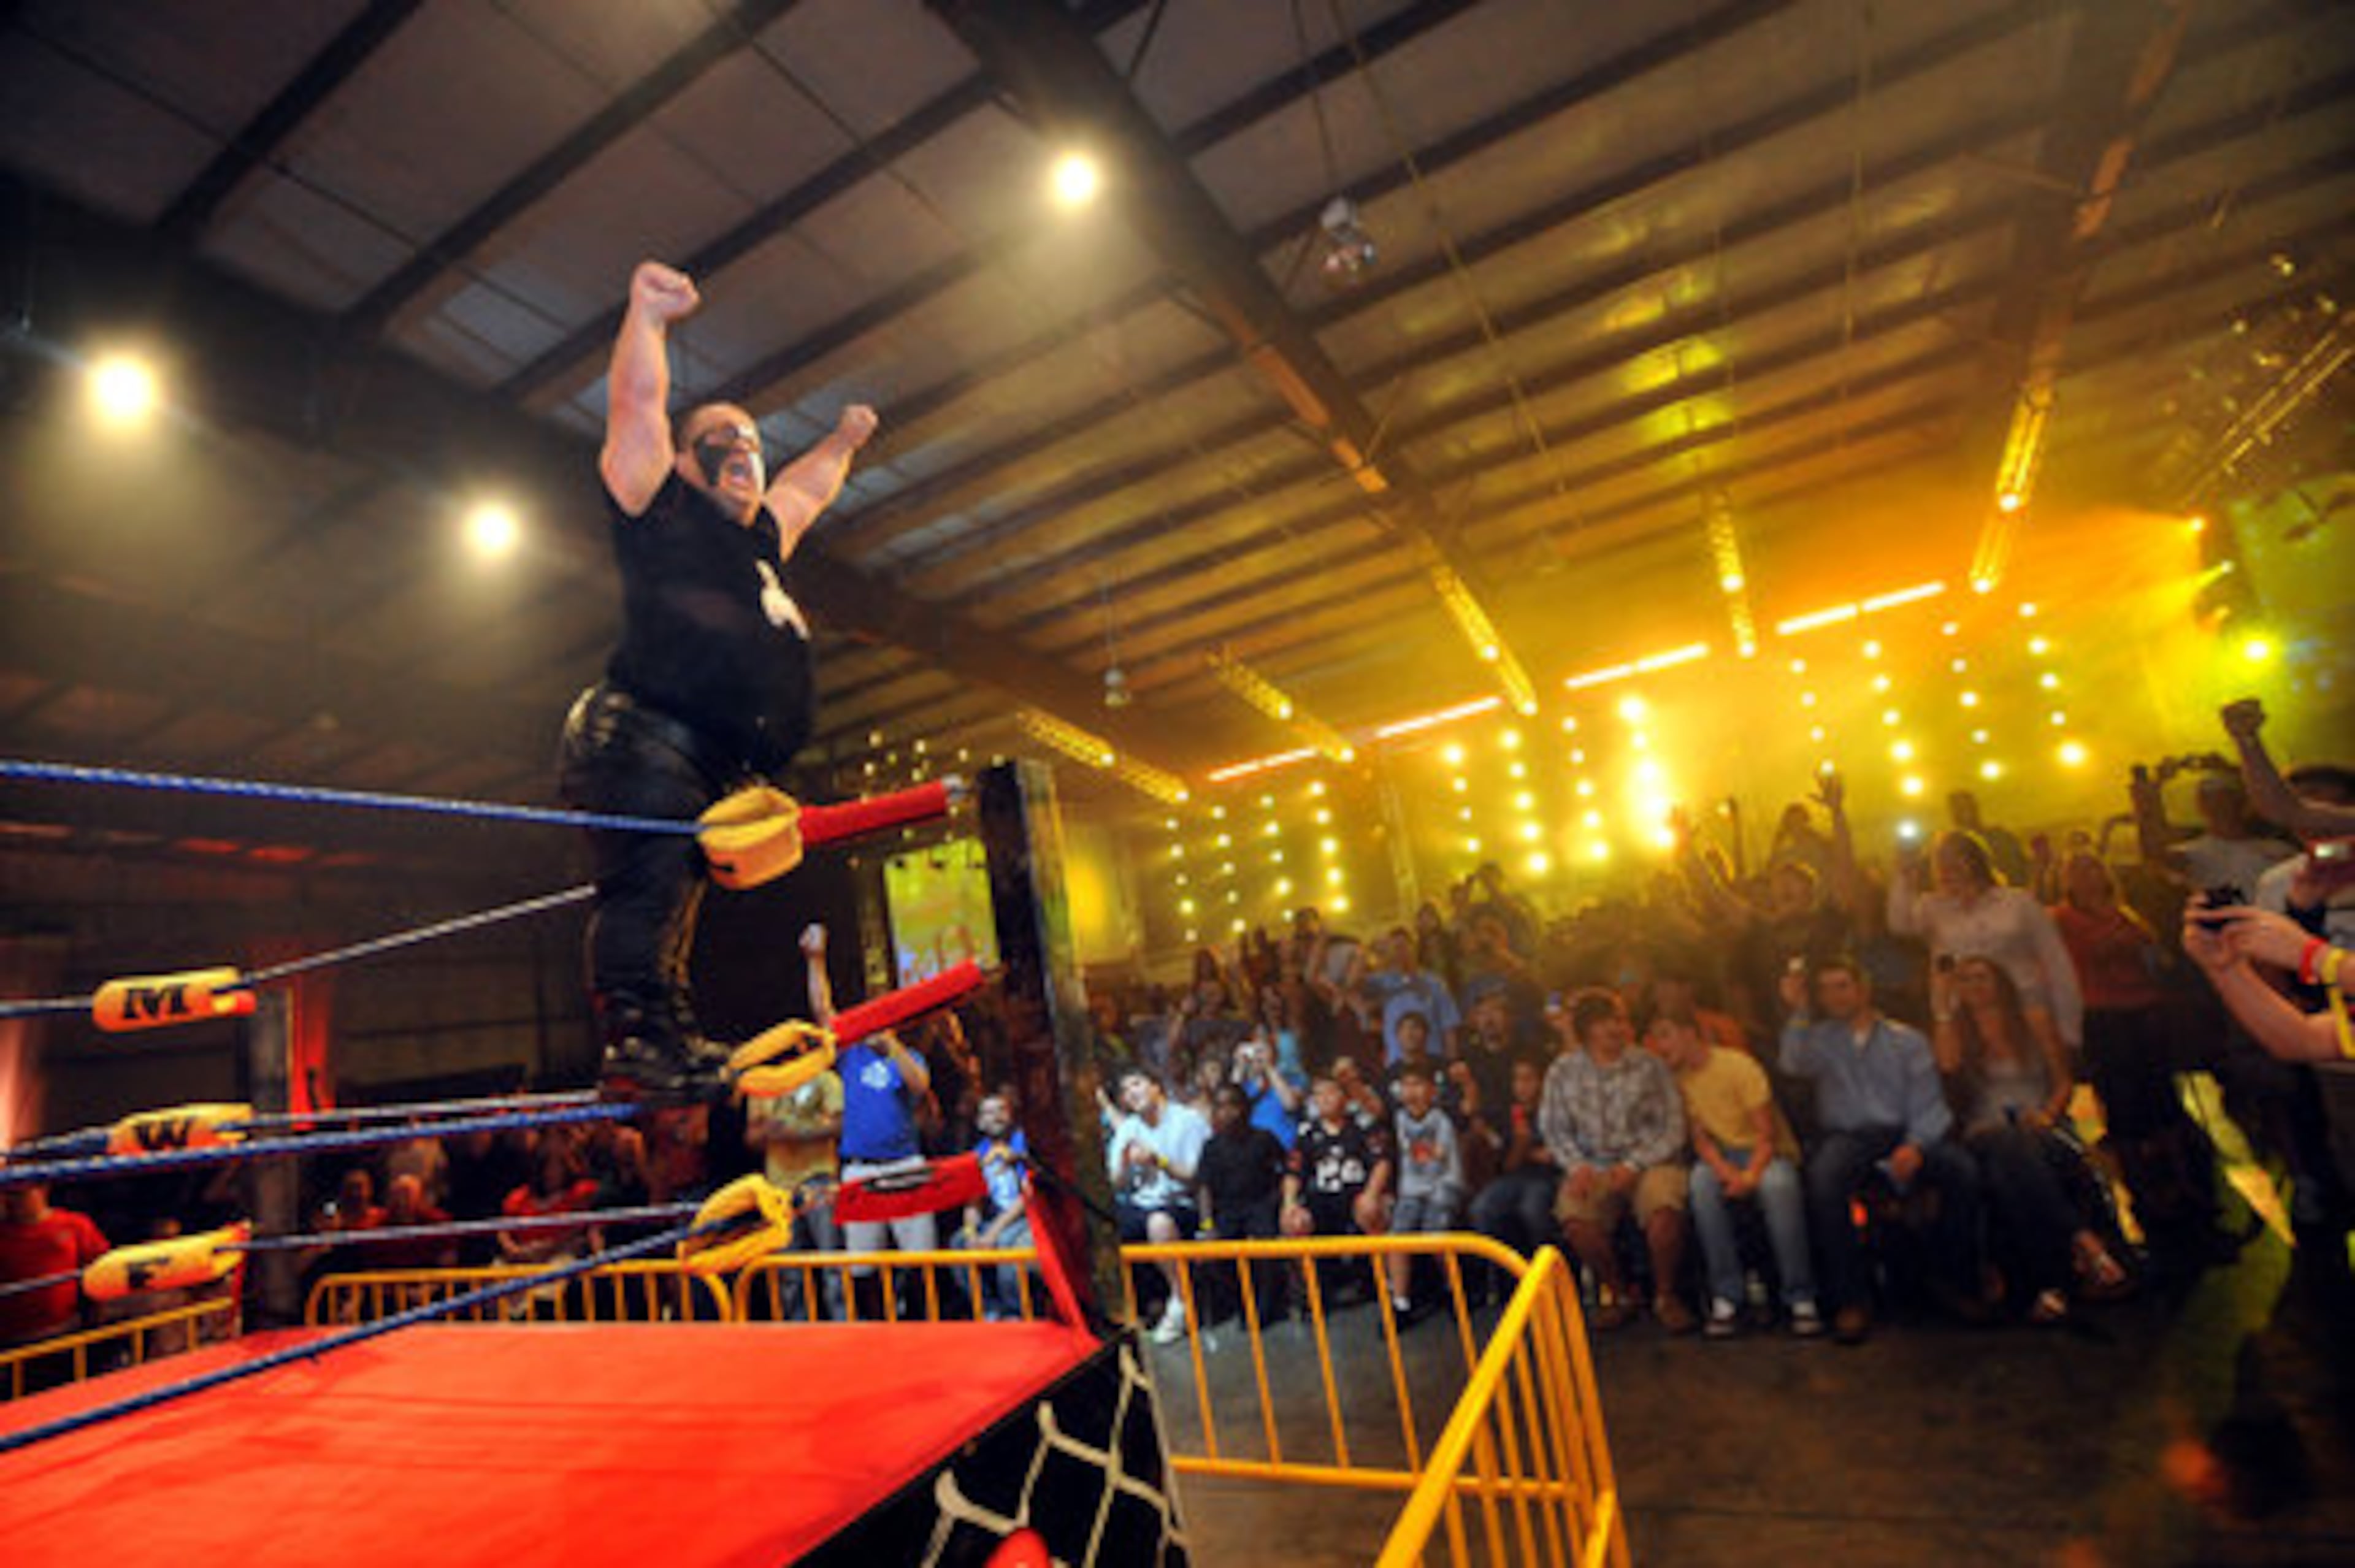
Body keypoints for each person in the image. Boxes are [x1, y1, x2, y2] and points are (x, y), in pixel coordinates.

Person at [558, 258, 878, 1104]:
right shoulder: (661, 508)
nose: (744, 452)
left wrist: (843, 442)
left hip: (698, 761)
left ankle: (662, 1036)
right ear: (688, 462)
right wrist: (648, 317)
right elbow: (633, 412)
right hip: (644, 735)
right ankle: (635, 1039)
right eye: (723, 442)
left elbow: (806, 490)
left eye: (753, 443)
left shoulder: (759, 540)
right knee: (649, 887)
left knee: (672, 904)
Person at [1778, 956, 1981, 1344]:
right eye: (1826, 989)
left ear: (1863, 988)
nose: (1834, 996)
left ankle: (1958, 1282)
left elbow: (1930, 1103)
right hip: (1849, 1135)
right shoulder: (1820, 1038)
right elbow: (1791, 1062)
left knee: (1962, 1170)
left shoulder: (1907, 1040)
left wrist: (1916, 1146)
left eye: (1842, 986)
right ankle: (1851, 1299)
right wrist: (1800, 1010)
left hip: (1905, 1130)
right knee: (1824, 1179)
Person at [1931, 957, 2129, 1323]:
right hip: (1986, 1131)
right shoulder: (1958, 1029)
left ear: (2000, 981)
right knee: (2008, 1146)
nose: (1975, 987)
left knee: (2014, 1172)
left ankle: (2048, 1285)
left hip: (2043, 1126)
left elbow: (2064, 1081)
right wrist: (1942, 1006)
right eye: (1966, 981)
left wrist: (2047, 1115)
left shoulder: (2033, 1019)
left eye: (1982, 978)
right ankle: (2084, 1241)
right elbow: (1946, 1066)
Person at [1643, 1009, 1821, 1339]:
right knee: (1700, 1185)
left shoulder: (1738, 1066)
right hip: (1722, 1154)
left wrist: (1751, 1175)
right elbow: (1701, 1139)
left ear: (1690, 1034)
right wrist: (1726, 1172)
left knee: (1778, 1187)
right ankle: (1727, 1295)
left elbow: (1767, 1134)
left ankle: (1801, 1297)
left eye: (1666, 1034)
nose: (1660, 1045)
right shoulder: (1679, 1081)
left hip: (1765, 1151)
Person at [1539, 990, 1694, 1333]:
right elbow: (1554, 1129)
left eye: (1621, 1021)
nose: (1618, 1028)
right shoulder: (1563, 1071)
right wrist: (1576, 1166)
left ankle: (1666, 1296)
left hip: (1649, 1161)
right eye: (1608, 1021)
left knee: (1663, 1209)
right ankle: (1620, 1294)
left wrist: (1635, 1165)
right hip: (1592, 1164)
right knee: (1575, 1217)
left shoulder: (1650, 1065)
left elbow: (1673, 1127)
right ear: (1589, 1028)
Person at [1890, 829, 2085, 1050]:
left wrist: (2069, 1031)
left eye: (1955, 857)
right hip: (1967, 1020)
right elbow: (1899, 924)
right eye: (1941, 860)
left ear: (1976, 860)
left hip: (2023, 1012)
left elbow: (2058, 964)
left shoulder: (2018, 902)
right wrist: (1903, 874)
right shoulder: (1932, 908)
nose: (1947, 866)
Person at [1106, 1068, 1211, 1344]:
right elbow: (1116, 1183)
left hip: (1183, 1202)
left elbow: (1196, 1176)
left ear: (1156, 1087)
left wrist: (1159, 1161)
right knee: (1104, 1229)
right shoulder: (1129, 1128)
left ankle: (1180, 1301)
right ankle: (1132, 1307)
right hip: (1141, 1202)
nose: (1132, 1094)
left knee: (1159, 1224)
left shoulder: (1187, 1121)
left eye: (1137, 1084)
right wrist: (1126, 1164)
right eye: (1126, 1091)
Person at [1195, 1082, 1290, 1327]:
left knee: (1265, 1250)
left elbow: (1285, 1171)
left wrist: (1282, 1203)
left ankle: (1267, 1306)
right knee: (1217, 1255)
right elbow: (1204, 1187)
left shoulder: (1264, 1139)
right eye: (1221, 1107)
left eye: (1233, 1105)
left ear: (1245, 1108)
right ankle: (1240, 1303)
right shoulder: (1211, 1147)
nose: (1228, 1112)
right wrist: (1207, 1225)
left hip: (1262, 1204)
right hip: (1227, 1210)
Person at [1385, 1062, 1465, 1320]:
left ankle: (1454, 1290)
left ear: (1432, 1091)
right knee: (1397, 1237)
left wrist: (1423, 1149)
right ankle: (1400, 1302)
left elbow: (1437, 1153)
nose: (1412, 1092)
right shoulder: (1398, 1118)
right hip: (1411, 1189)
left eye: (1418, 1085)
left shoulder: (1442, 1120)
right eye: (1407, 1085)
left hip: (1443, 1185)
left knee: (1436, 1235)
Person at [0, 1182, 108, 1354]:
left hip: (67, 1329)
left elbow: (103, 1271)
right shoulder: (3, 1233)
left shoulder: (74, 1224)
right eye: (5, 1194)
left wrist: (96, 1319)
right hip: (14, 1339)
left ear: (43, 1190)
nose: (10, 1201)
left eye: (18, 1194)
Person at [959, 1093, 1032, 1321]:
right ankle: (989, 1309)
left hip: (1023, 1217)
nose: (996, 1117)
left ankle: (1015, 1312)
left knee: (1007, 1245)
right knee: (959, 1245)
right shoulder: (978, 1152)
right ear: (979, 1122)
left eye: (1001, 1110)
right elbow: (973, 1200)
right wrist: (972, 1232)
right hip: (993, 1217)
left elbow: (1028, 1196)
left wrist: (992, 1233)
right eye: (988, 1113)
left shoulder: (1021, 1143)